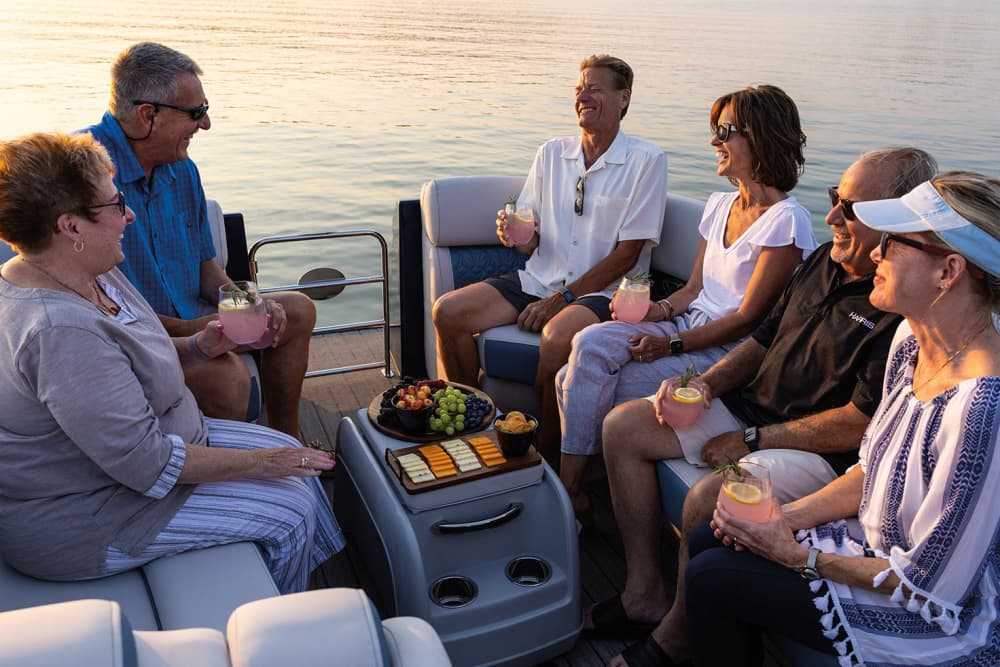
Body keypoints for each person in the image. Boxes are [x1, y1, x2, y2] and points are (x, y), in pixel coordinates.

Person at [592, 147, 938, 667]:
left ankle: (676, 636)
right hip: (749, 409)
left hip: (817, 455)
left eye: (850, 208)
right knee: (624, 427)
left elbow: (858, 423)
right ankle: (644, 592)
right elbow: (762, 340)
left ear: (896, 220)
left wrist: (751, 441)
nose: (831, 216)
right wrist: (704, 385)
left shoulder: (897, 307)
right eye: (834, 198)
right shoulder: (822, 261)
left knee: (708, 498)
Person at [0, 132, 343, 595]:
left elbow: (133, 352)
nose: (129, 215)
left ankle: (317, 591)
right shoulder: (59, 332)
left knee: (297, 465)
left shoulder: (93, 271)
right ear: (71, 227)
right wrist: (268, 462)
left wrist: (200, 345)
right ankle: (279, 619)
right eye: (116, 204)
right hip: (91, 514)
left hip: (154, 452)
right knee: (292, 507)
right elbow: (147, 463)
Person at [698, 171, 1000, 666]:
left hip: (929, 612)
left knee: (712, 578)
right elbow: (873, 470)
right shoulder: (911, 341)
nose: (876, 253)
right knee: (710, 538)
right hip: (873, 548)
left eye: (895, 243)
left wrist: (797, 555)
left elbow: (930, 586)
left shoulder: (983, 409)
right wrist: (781, 519)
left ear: (948, 271)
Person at [557, 85, 814, 516]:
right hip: (685, 327)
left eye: (725, 131)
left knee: (572, 377)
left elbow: (748, 318)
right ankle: (578, 490)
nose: (714, 141)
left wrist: (669, 344)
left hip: (727, 353)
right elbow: (693, 290)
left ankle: (572, 495)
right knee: (587, 342)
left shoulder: (787, 221)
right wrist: (655, 312)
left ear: (760, 136)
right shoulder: (720, 205)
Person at [432, 54, 668, 466]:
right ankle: (478, 431)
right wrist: (517, 235)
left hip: (604, 293)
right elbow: (530, 239)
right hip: (539, 279)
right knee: (448, 312)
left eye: (594, 88)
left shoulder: (647, 161)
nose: (582, 96)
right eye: (579, 88)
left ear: (623, 98)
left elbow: (627, 254)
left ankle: (545, 460)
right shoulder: (551, 153)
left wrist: (564, 298)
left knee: (557, 337)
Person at [84, 42, 315, 437]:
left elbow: (205, 265)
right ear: (148, 115)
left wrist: (248, 305)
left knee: (296, 310)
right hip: (133, 339)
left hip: (195, 324)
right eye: (196, 112)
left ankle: (287, 443)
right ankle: (227, 465)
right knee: (226, 378)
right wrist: (190, 329)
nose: (205, 124)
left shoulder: (183, 170)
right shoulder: (82, 173)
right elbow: (93, 306)